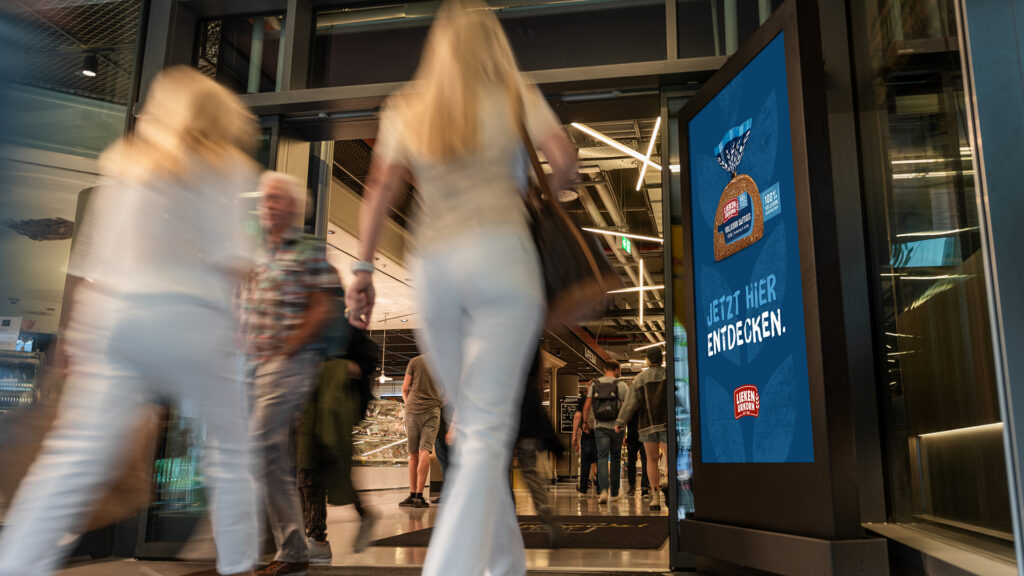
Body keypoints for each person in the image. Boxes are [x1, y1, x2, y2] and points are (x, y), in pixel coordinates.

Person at [344, 1, 578, 573]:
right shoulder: (515, 92)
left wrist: (364, 271)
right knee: (483, 435)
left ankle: (505, 567)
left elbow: (380, 189)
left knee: (476, 430)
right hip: (504, 263)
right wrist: (543, 189)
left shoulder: (408, 106)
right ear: (493, 43)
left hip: (436, 270)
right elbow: (565, 161)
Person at [0, 66, 259, 576]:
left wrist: (74, 336)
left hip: (117, 322)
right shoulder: (225, 165)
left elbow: (91, 266)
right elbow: (235, 262)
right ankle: (241, 565)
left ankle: (17, 564)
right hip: (192, 321)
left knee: (72, 461)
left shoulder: (126, 162)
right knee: (232, 453)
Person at [242, 172, 338, 576]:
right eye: (265, 199)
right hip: (254, 366)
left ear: (295, 207)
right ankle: (290, 548)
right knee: (270, 457)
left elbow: (325, 307)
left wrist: (290, 343)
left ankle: (282, 548)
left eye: (278, 199)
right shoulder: (261, 253)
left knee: (260, 447)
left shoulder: (308, 250)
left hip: (291, 364)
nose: (268, 205)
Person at [514, 349, 564, 545]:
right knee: (530, 472)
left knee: (494, 475)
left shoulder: (495, 339)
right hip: (527, 415)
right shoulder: (530, 343)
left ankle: (499, 523)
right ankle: (546, 511)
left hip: (497, 413)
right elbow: (539, 383)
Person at [616, 347, 668, 512]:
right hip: (667, 422)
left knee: (651, 460)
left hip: (647, 424)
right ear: (661, 359)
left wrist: (621, 422)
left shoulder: (640, 378)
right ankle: (668, 482)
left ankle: (655, 497)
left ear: (647, 360)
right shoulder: (670, 374)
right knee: (670, 458)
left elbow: (630, 403)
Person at [400, 354, 443, 509]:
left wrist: (409, 403)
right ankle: (419, 496)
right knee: (424, 451)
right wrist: (438, 403)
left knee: (412, 454)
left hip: (412, 410)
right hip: (432, 411)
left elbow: (405, 388)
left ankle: (411, 495)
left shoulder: (414, 361)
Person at [583, 361, 628, 504]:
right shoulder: (621, 385)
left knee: (602, 457)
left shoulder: (595, 384)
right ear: (617, 370)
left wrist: (585, 423)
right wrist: (623, 424)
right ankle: (614, 493)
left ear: (604, 369)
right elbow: (627, 407)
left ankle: (603, 491)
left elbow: (587, 406)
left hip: (600, 426)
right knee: (615, 458)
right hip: (617, 426)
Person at [572, 381, 598, 498]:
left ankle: (583, 488)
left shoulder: (583, 399)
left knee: (585, 461)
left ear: (588, 387)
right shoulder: (601, 398)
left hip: (587, 433)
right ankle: (600, 489)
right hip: (600, 433)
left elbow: (577, 416)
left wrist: (574, 435)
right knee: (600, 461)